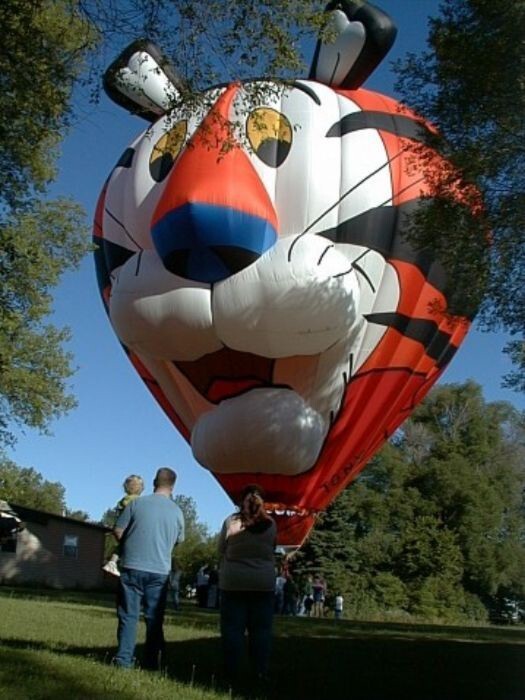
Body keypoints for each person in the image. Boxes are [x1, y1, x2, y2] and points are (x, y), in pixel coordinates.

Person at [113, 467, 184, 670]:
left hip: (132, 565)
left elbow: (118, 531)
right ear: (172, 486)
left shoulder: (137, 504)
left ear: (154, 482)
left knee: (128, 615)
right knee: (154, 618)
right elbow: (178, 540)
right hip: (159, 569)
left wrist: (131, 542)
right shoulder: (177, 512)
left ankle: (124, 660)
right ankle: (152, 662)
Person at [218, 484, 277, 685]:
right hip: (262, 583)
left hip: (234, 581)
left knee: (233, 629)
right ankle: (260, 670)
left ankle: (231, 670)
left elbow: (221, 548)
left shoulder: (231, 522)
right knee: (261, 631)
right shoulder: (270, 525)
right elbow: (273, 549)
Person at [102, 474, 145, 577]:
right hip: (129, 527)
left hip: (121, 525)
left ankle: (113, 561)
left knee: (120, 546)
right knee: (125, 545)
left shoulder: (124, 499)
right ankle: (112, 562)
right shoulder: (136, 501)